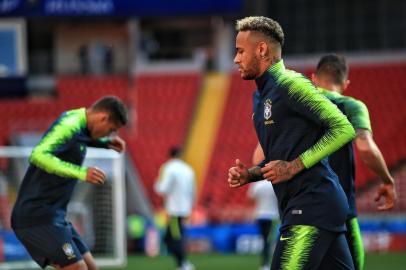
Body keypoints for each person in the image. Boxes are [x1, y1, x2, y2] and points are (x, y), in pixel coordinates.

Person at [228, 16, 356, 269]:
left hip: (311, 205)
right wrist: (252, 174)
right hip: (312, 207)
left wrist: (294, 166)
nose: (236, 59)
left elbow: (343, 128)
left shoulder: (290, 83)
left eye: (241, 51)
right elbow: (281, 155)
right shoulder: (261, 96)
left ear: (262, 49)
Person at [11, 96, 128, 270]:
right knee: (77, 267)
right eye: (110, 130)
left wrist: (105, 143)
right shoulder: (69, 125)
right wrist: (81, 173)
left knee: (91, 267)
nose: (109, 134)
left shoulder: (81, 127)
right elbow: (38, 155)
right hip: (36, 216)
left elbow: (81, 139)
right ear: (103, 117)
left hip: (54, 216)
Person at [311, 54, 397, 270]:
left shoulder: (294, 106)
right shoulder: (350, 105)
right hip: (339, 212)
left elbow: (260, 156)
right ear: (346, 84)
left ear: (313, 78)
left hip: (299, 213)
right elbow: (366, 148)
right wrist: (387, 181)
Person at [154, 147, 196, 270]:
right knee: (171, 237)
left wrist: (156, 184)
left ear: (170, 155)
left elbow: (163, 189)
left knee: (175, 237)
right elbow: (193, 191)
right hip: (185, 208)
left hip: (174, 209)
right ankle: (181, 263)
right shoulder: (188, 169)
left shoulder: (169, 168)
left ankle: (183, 264)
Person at [248, 143, 279, 270]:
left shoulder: (257, 184)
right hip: (272, 215)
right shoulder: (274, 182)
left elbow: (251, 199)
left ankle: (264, 264)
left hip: (260, 214)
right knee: (270, 241)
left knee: (264, 240)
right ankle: (268, 264)